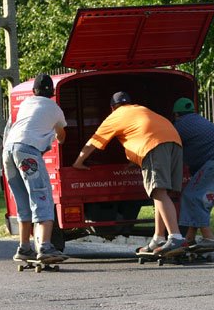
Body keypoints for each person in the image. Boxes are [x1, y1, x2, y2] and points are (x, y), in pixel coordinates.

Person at [72, 91, 188, 256]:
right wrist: (136, 160)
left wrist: (78, 162)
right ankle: (158, 238)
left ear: (113, 107)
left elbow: (93, 142)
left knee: (158, 192)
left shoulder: (116, 116)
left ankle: (175, 237)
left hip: (154, 145)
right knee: (162, 194)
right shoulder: (139, 109)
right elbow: (143, 129)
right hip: (174, 142)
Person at [2, 74, 68, 262]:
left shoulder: (25, 104)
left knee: (23, 199)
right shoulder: (55, 109)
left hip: (8, 150)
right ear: (52, 93)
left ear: (33, 91)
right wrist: (58, 138)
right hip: (28, 151)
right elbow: (62, 134)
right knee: (42, 196)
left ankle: (24, 248)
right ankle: (45, 247)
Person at [172, 97, 214, 250]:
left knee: (192, 195)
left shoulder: (180, 126)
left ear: (176, 115)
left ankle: (209, 237)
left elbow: (170, 147)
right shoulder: (198, 120)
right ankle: (189, 238)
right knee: (200, 197)